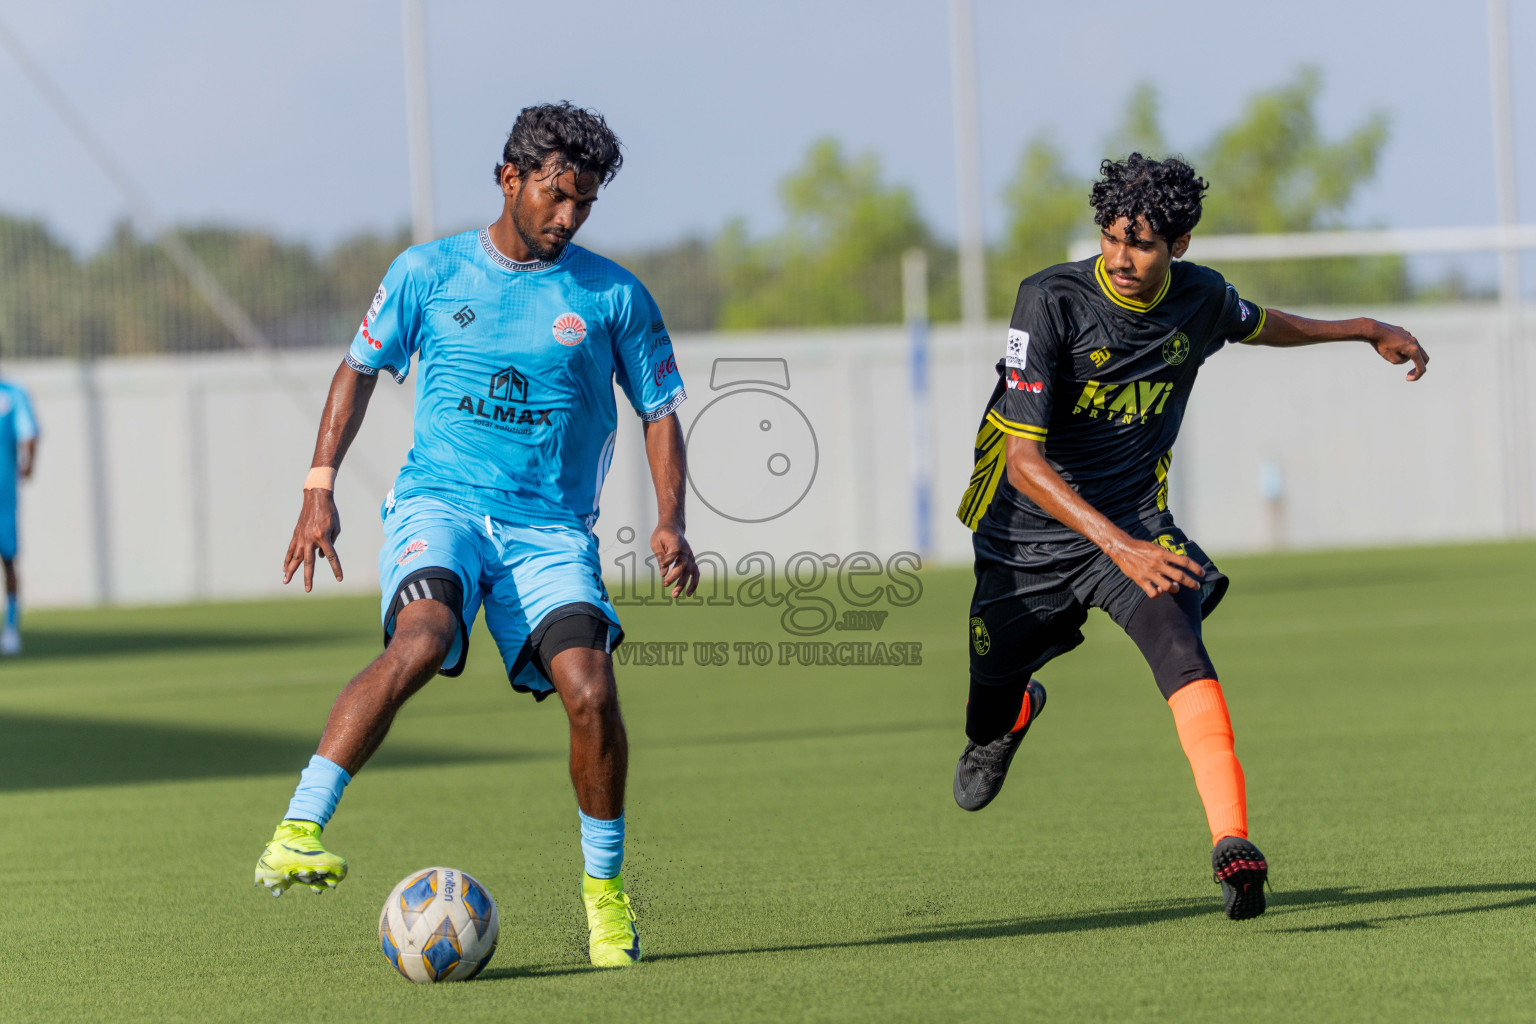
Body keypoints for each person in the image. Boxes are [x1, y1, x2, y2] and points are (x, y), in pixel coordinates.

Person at [253, 102, 699, 968]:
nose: (568, 218)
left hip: (548, 531)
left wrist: (672, 519)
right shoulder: (428, 272)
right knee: (422, 638)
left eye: (586, 205)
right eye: (557, 196)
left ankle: (605, 902)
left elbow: (659, 411)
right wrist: (319, 487)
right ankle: (298, 829)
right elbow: (357, 368)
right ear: (510, 178)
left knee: (593, 692)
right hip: (441, 507)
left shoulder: (612, 294)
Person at [952, 153, 1428, 921]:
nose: (1120, 257)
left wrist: (1365, 329)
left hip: (1137, 523)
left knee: (1184, 654)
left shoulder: (1199, 297)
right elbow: (1023, 460)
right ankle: (1010, 717)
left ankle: (1232, 842)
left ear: (1181, 242)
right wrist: (1119, 547)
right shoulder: (1049, 301)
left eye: (1139, 243)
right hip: (1028, 538)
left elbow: (1261, 323)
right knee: (984, 705)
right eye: (1109, 238)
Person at [0, 372, 37, 656]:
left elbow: (29, 433)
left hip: (4, 494)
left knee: (8, 559)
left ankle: (11, 628)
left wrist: (27, 464)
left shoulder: (13, 394)